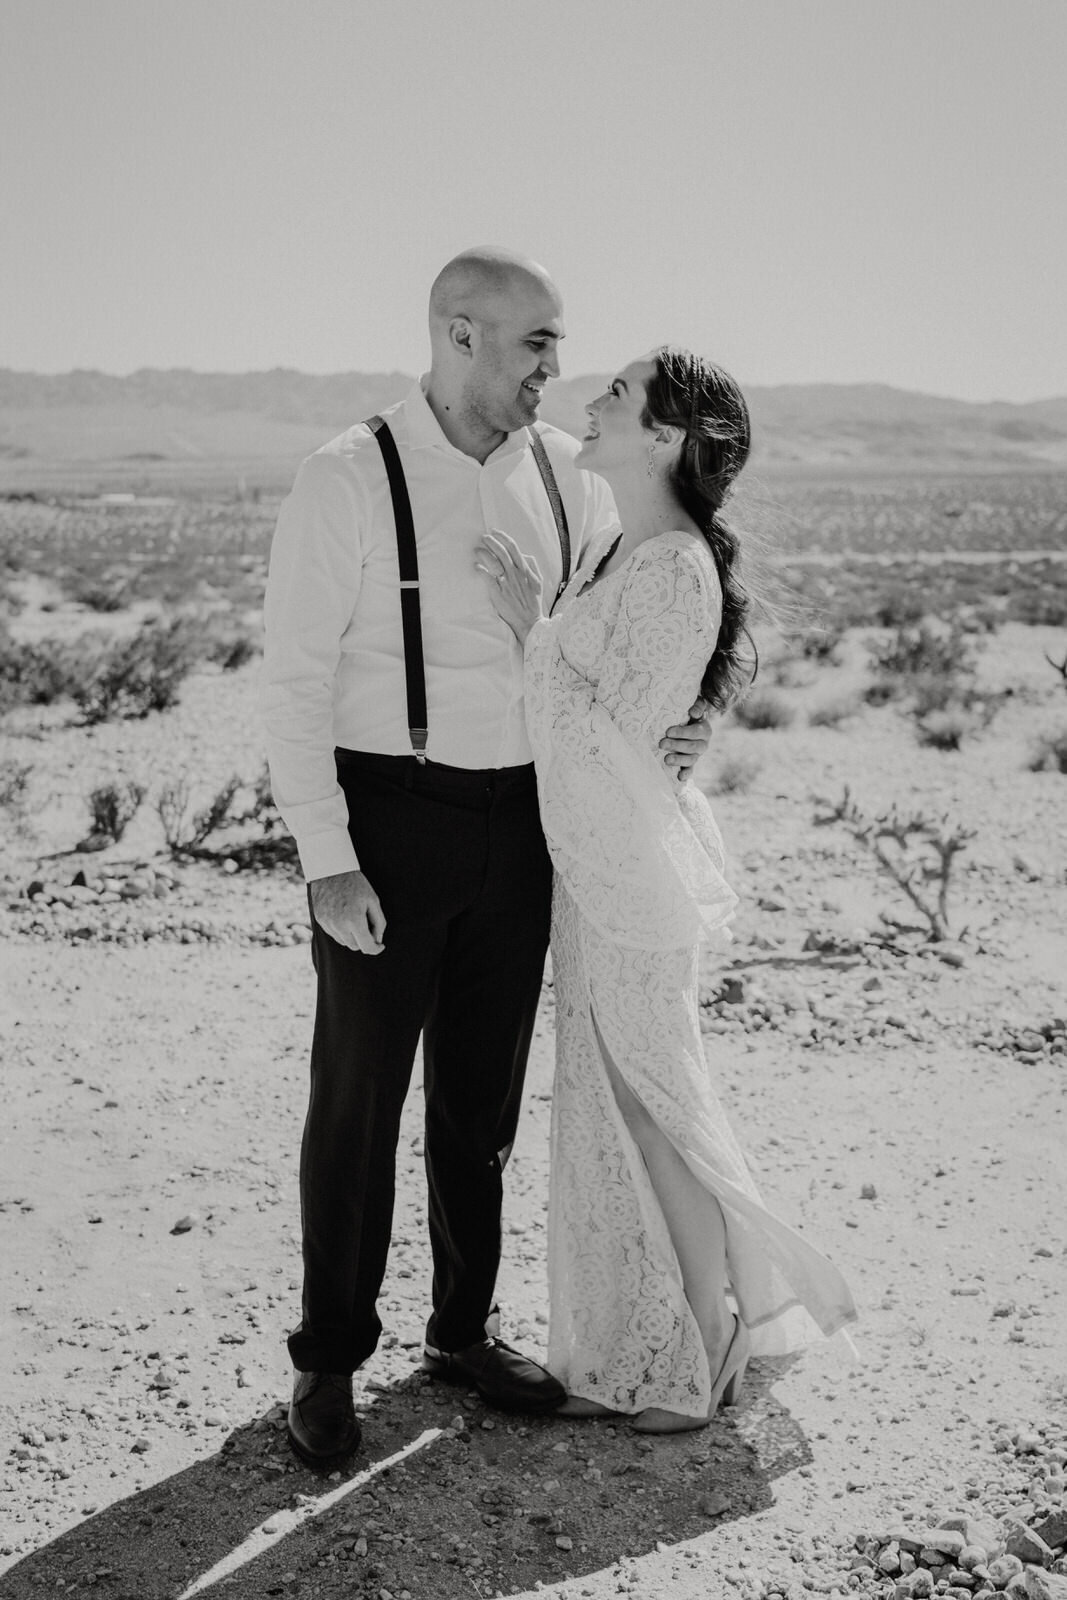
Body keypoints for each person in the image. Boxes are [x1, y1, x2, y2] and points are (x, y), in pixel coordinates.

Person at [261, 251, 712, 1466]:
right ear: (460, 334)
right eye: (535, 346)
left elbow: (671, 590)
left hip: (527, 828)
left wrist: (701, 707)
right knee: (356, 1102)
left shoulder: (573, 479)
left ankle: (459, 1330)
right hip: (389, 822)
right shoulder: (347, 475)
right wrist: (326, 856)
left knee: (481, 1101)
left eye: (560, 350)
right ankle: (328, 1358)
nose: (554, 374)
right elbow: (295, 681)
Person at [478, 346, 858, 1432]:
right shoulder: (624, 550)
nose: (590, 399)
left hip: (628, 880)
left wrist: (527, 625)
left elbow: (607, 740)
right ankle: (662, 1333)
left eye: (616, 393)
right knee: (625, 1106)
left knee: (654, 1109)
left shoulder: (669, 567)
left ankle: (707, 1333)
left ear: (662, 437)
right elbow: (628, 718)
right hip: (604, 870)